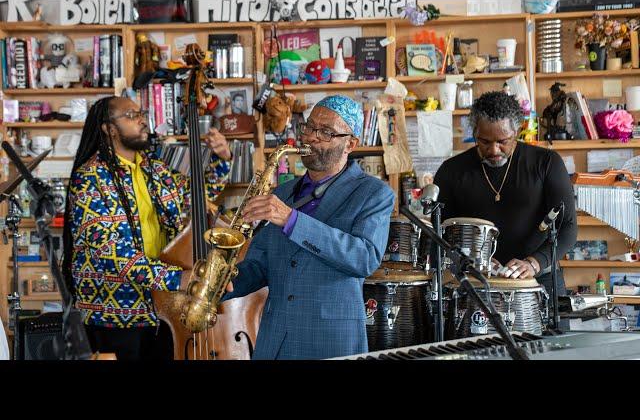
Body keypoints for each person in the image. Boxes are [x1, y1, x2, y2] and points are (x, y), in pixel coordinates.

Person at [223, 94, 395, 360]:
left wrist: (292, 220)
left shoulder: (374, 193)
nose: (312, 137)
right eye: (310, 127)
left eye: (326, 132)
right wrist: (221, 282)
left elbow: (364, 258)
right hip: (274, 341)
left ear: (350, 144)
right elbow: (260, 265)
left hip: (331, 343)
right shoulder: (282, 192)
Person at [62, 95, 232, 360]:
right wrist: (178, 279)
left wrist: (221, 158)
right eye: (131, 115)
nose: (142, 120)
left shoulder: (154, 168)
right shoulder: (90, 178)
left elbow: (197, 198)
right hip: (112, 316)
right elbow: (110, 252)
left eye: (141, 113)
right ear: (109, 128)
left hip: (161, 309)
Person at [433, 91, 577, 296]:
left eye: (503, 141)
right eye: (484, 141)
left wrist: (534, 263)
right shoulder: (451, 171)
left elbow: (568, 227)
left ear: (517, 131)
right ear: (474, 132)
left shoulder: (546, 163)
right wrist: (473, 258)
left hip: (539, 280)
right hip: (476, 283)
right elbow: (442, 231)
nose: (493, 150)